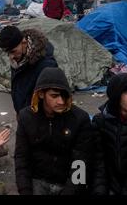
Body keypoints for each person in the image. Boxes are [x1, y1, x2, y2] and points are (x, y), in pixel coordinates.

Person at [14, 67, 93, 195]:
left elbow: (81, 162)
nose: (61, 101)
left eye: (64, 95)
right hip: (38, 180)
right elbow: (21, 159)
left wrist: (71, 192)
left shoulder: (80, 119)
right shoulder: (26, 117)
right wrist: (25, 191)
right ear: (41, 94)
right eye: (54, 96)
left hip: (68, 183)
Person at [0, 26, 58, 114]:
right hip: (25, 117)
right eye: (8, 53)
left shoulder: (46, 65)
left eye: (13, 51)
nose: (11, 57)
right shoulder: (18, 61)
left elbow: (50, 102)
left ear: (24, 42)